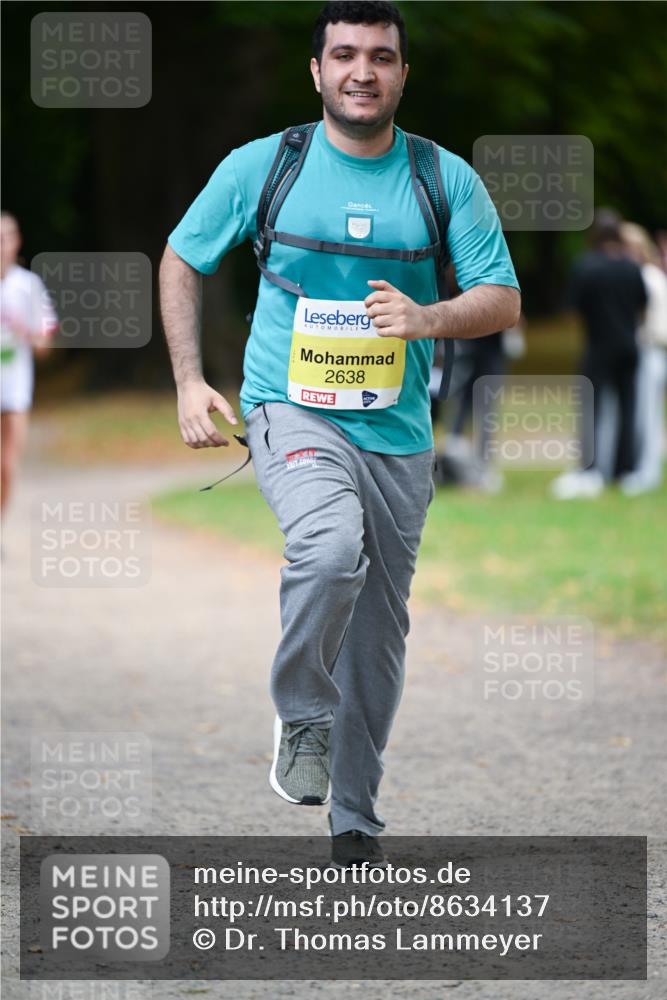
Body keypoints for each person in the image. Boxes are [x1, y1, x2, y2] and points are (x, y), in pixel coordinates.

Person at [160, 1, 520, 866]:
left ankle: (352, 814)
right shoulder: (265, 166)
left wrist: (426, 315)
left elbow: (501, 299)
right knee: (326, 549)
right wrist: (186, 378)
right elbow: (182, 256)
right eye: (346, 55)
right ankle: (304, 714)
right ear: (316, 72)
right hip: (290, 407)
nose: (363, 70)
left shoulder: (443, 178)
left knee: (379, 627)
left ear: (403, 74)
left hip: (396, 432)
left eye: (382, 57)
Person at [552, 208, 647, 500]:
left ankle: (590, 469)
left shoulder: (586, 266)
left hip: (598, 346)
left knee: (591, 410)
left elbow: (572, 311)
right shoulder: (632, 267)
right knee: (628, 408)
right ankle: (625, 470)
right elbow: (643, 306)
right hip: (629, 346)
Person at [1, 212, 58, 518]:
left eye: (7, 237)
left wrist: (29, 333)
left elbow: (44, 346)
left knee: (7, 466)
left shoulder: (29, 286)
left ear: (17, 241)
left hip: (15, 387)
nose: (1, 245)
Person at [619, 223, 667, 494]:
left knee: (648, 415)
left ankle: (647, 472)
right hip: (644, 351)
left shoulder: (648, 277)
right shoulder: (642, 275)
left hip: (651, 352)